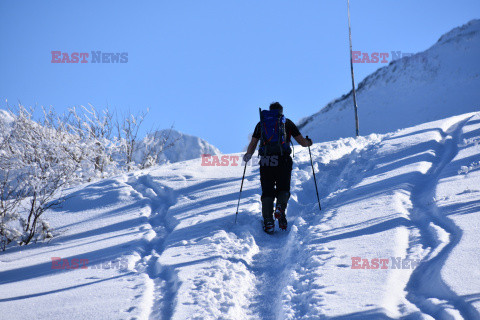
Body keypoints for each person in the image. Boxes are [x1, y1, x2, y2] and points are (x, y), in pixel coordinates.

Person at [243, 102, 312, 233]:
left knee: (267, 191)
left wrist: (248, 155)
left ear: (270, 111)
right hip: (283, 160)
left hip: (266, 161)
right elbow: (302, 142)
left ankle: (268, 221)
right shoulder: (287, 122)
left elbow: (253, 143)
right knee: (283, 188)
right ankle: (280, 208)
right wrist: (309, 142)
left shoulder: (262, 123)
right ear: (281, 111)